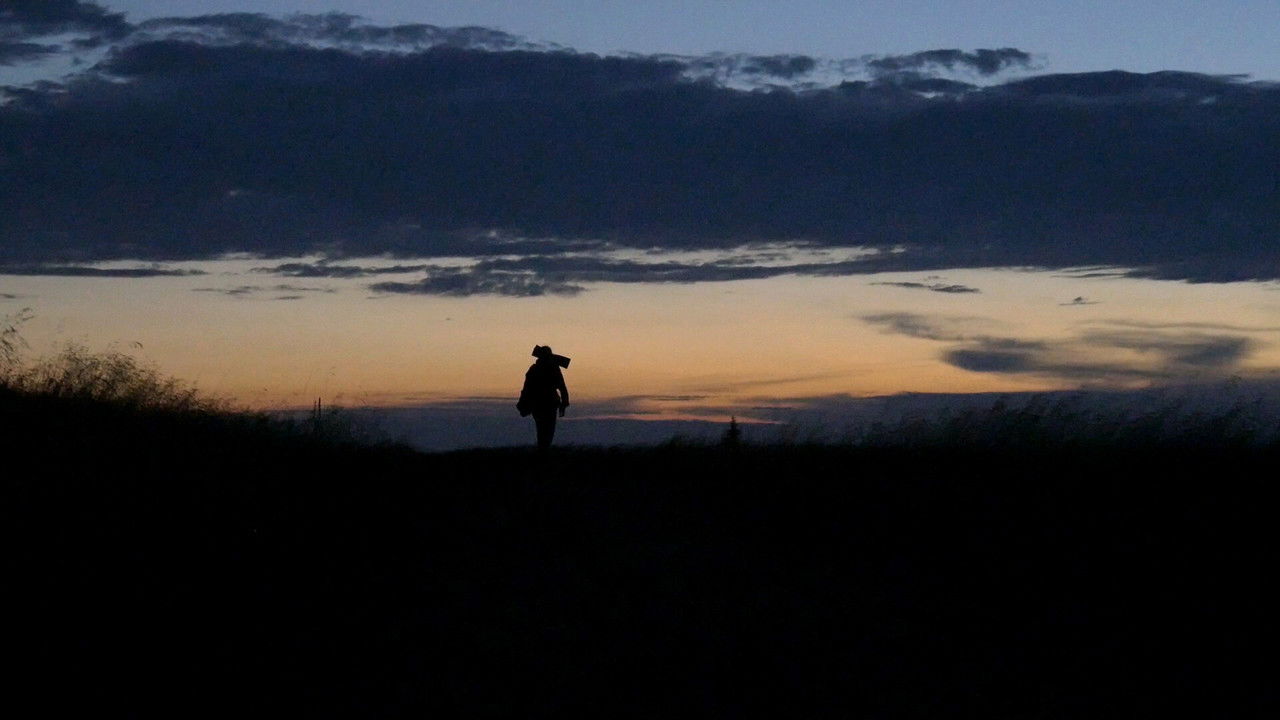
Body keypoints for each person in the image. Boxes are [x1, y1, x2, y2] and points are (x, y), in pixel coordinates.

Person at [517, 345, 569, 450]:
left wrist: (523, 402)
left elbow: (526, 388)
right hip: (548, 403)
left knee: (541, 428)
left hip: (539, 404)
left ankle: (542, 450)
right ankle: (544, 450)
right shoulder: (553, 368)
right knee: (548, 430)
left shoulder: (534, 369)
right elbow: (562, 386)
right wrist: (564, 402)